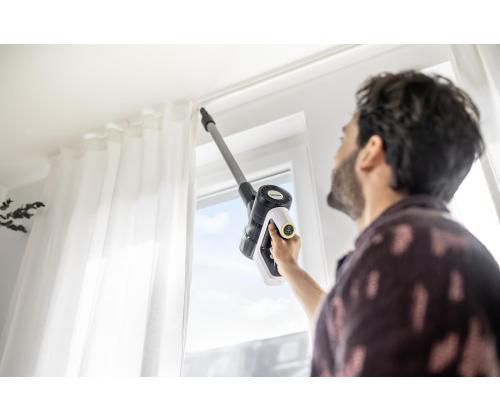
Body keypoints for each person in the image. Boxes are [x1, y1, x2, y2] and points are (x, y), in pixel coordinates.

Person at [267, 70, 500, 376]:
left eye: (344, 139)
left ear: (371, 152)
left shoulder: (401, 255)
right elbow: (340, 325)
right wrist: (288, 266)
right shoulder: (428, 249)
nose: (336, 157)